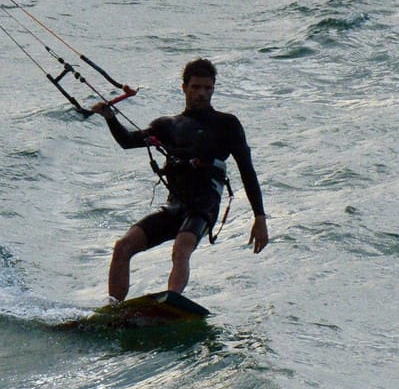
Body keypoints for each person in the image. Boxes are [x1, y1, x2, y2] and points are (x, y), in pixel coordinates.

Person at [93, 58, 268, 302]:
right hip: (176, 205)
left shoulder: (227, 124)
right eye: (196, 87)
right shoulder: (167, 126)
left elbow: (247, 170)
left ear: (214, 88)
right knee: (123, 246)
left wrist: (259, 217)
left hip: (204, 204)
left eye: (207, 88)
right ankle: (113, 309)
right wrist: (110, 117)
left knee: (182, 248)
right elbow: (127, 141)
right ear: (184, 87)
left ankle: (172, 302)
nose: (201, 94)